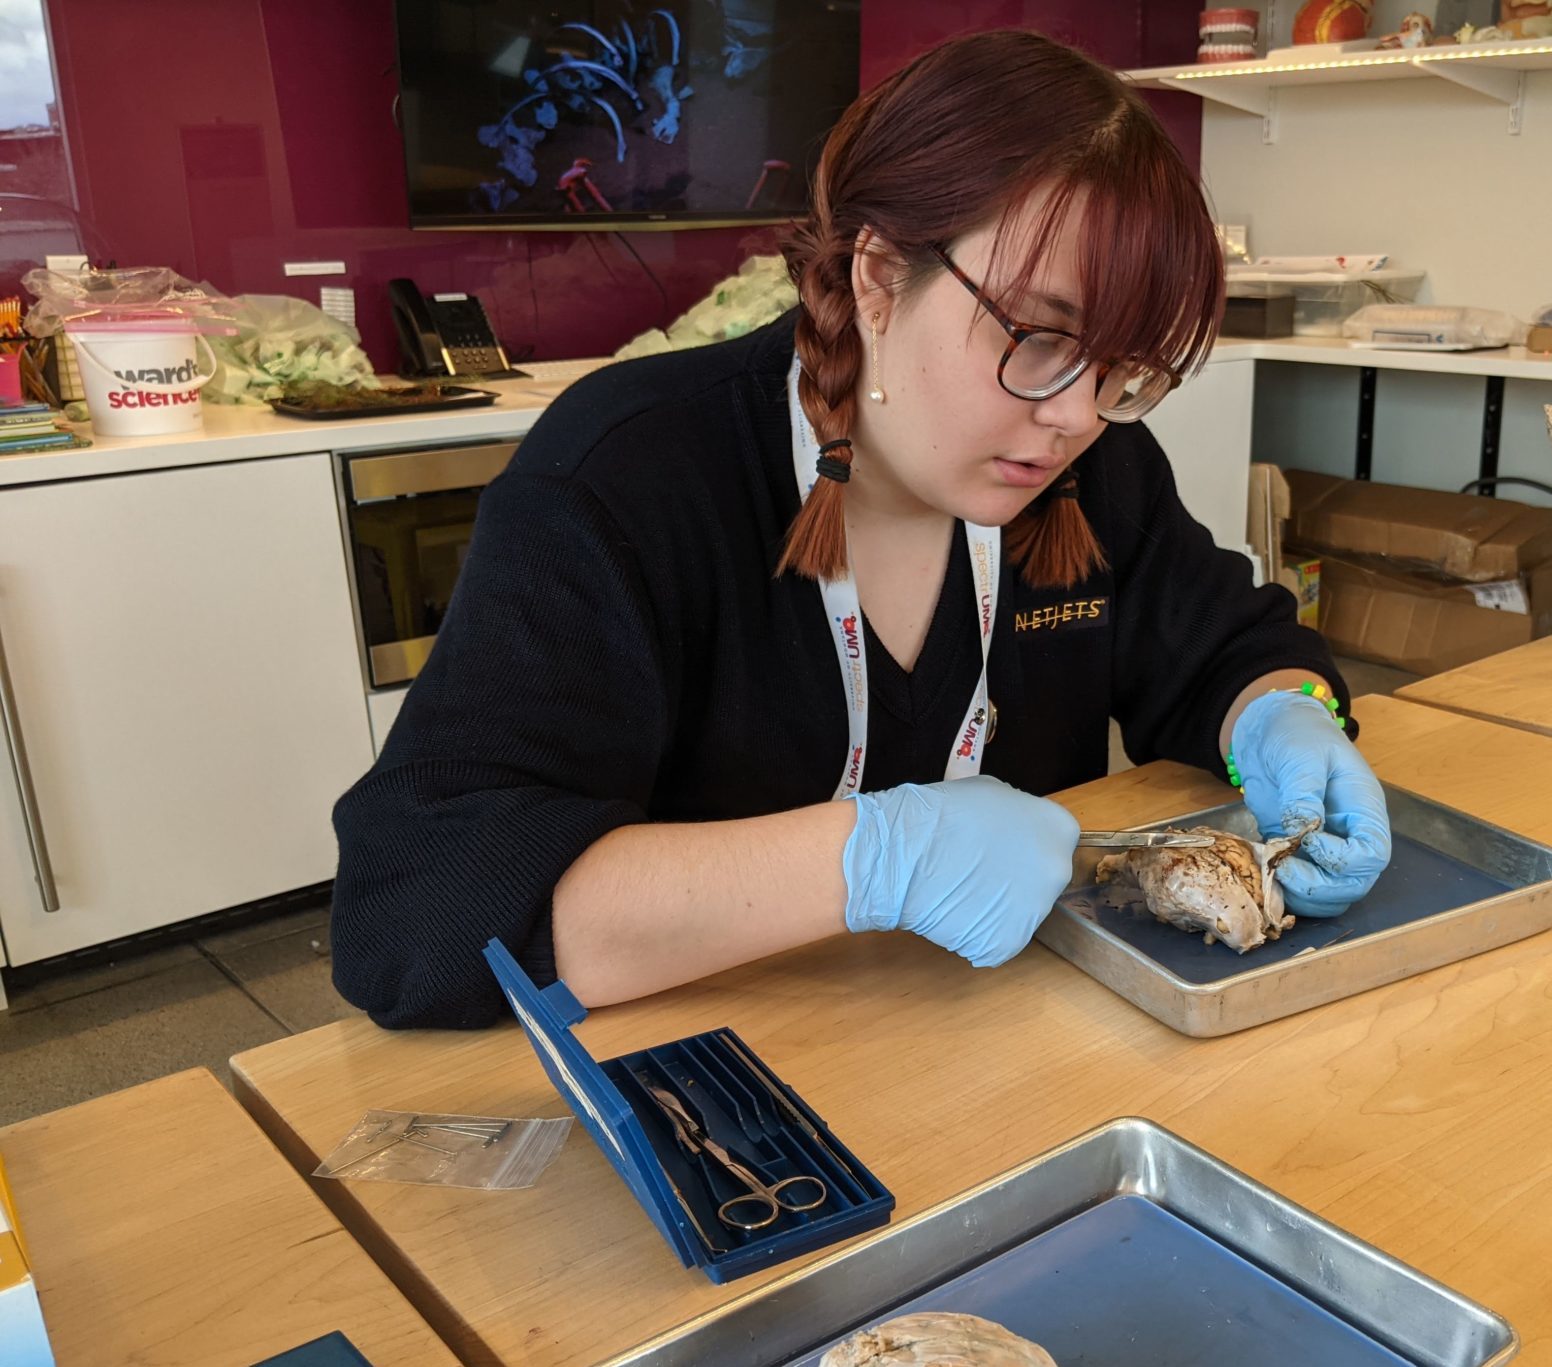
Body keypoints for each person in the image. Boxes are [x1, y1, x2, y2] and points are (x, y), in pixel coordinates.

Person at [331, 28, 1391, 1030]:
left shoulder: (1087, 461)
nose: (1073, 412)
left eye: (1124, 367)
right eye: (1040, 335)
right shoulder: (630, 474)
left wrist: (1283, 722)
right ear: (879, 276)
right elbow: (414, 905)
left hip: (1008, 1037)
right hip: (727, 1077)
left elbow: (1228, 648)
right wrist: (870, 858)